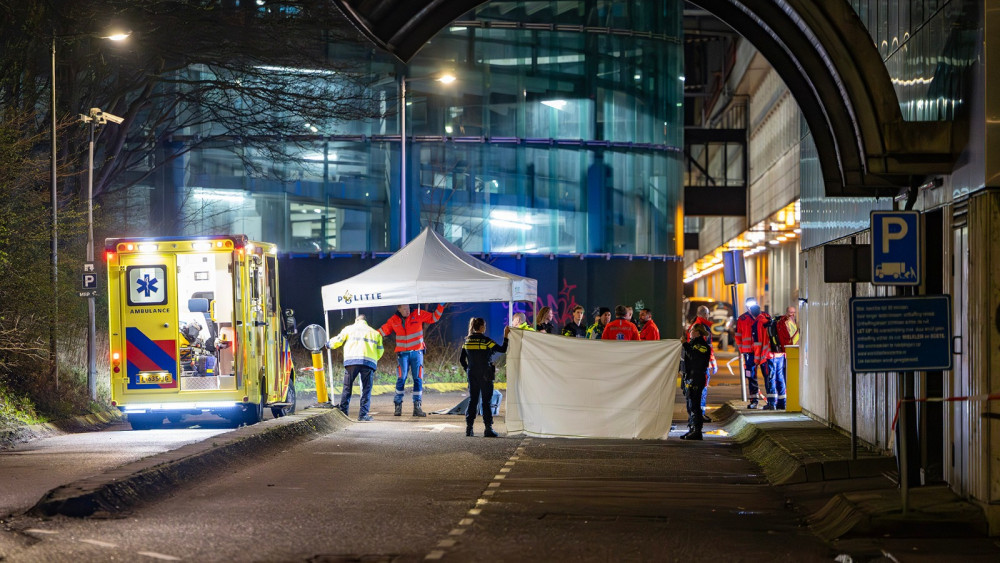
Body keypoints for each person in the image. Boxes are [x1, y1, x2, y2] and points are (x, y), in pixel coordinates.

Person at [379, 303, 446, 417]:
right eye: (404, 308)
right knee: (401, 378)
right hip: (402, 354)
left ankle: (417, 406)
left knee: (418, 379)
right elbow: (381, 332)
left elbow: (434, 318)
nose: (407, 310)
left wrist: (441, 306)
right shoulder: (393, 320)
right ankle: (398, 405)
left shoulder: (418, 314)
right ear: (399, 309)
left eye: (408, 307)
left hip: (417, 352)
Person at [460, 318, 511, 438]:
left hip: (472, 374)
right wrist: (506, 335)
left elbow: (462, 360)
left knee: (473, 400)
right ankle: (488, 428)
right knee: (486, 402)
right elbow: (503, 349)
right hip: (485, 374)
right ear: (482, 327)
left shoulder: (467, 341)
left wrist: (468, 369)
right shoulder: (486, 341)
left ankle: (469, 429)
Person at [328, 314, 384, 421]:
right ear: (366, 321)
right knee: (366, 389)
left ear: (356, 320)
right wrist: (373, 358)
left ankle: (344, 413)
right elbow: (380, 350)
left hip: (351, 361)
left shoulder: (349, 329)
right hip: (368, 362)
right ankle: (363, 415)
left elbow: (338, 341)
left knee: (347, 387)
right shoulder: (375, 333)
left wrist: (328, 344)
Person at [735, 297, 771, 409]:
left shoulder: (765, 316)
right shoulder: (742, 319)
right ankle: (754, 400)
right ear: (746, 306)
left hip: (762, 352)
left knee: (768, 375)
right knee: (751, 376)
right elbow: (738, 336)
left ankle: (771, 401)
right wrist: (742, 351)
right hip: (749, 353)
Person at [680, 324, 713, 440]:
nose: (690, 332)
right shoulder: (692, 344)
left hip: (697, 378)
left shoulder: (702, 346)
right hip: (689, 377)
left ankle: (697, 430)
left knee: (695, 405)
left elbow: (694, 358)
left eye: (692, 330)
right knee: (690, 405)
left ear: (698, 332)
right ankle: (691, 429)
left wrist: (685, 344)